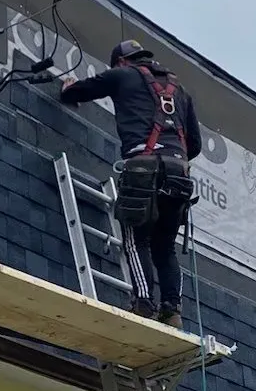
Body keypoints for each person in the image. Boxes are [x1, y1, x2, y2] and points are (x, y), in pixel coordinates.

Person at [57, 40, 201, 326]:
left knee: (136, 240)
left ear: (122, 61)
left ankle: (144, 303)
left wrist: (68, 88)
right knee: (166, 246)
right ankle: (172, 310)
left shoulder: (122, 75)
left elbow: (86, 89)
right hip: (179, 175)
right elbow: (194, 144)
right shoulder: (180, 91)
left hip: (144, 169)